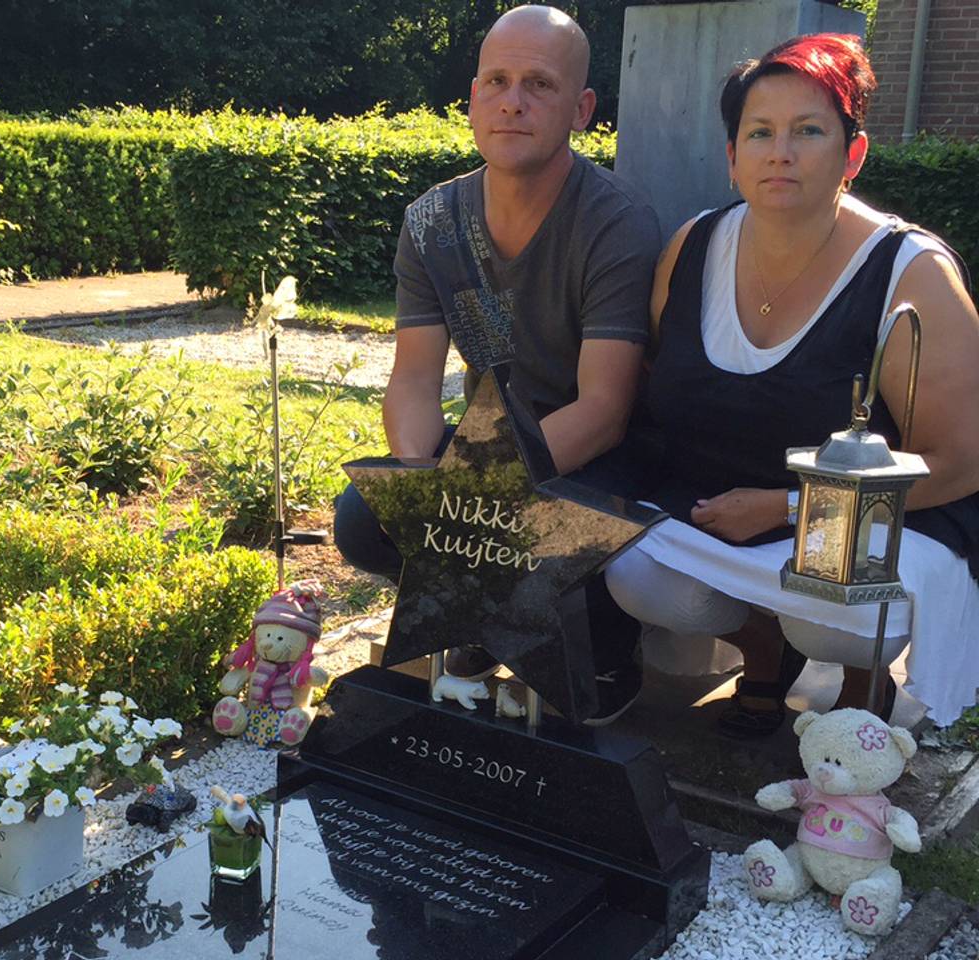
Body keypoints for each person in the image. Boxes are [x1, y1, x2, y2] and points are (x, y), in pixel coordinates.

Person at [605, 34, 979, 737]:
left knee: (836, 611)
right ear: (733, 157)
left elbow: (960, 459)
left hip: (873, 525)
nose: (781, 152)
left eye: (808, 131)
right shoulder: (691, 247)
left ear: (853, 154)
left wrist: (785, 507)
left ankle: (863, 679)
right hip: (716, 503)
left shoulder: (911, 272)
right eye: (760, 132)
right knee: (637, 575)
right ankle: (762, 647)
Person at [333, 4, 662, 724]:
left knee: (565, 528)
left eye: (539, 85)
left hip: (599, 454)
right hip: (490, 445)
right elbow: (416, 378)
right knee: (365, 518)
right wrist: (426, 493)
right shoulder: (431, 220)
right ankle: (480, 621)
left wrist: (488, 508)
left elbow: (605, 410)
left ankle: (603, 655)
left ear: (580, 109)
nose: (513, 101)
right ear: (473, 97)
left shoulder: (616, 222)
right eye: (497, 81)